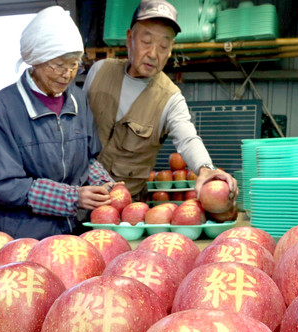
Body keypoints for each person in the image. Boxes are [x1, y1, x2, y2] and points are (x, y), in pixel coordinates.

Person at [0, 5, 115, 239]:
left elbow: (86, 160)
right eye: (59, 65)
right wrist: (72, 198)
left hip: (73, 232)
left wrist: (105, 184)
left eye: (74, 65)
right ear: (35, 61)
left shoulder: (77, 99)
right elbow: (3, 185)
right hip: (23, 236)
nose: (68, 74)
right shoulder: (5, 108)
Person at [83, 0, 238, 204]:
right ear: (130, 39)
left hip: (126, 211)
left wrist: (206, 168)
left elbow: (188, 138)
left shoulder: (170, 98)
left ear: (171, 49)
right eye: (146, 42)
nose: (154, 54)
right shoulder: (98, 72)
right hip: (80, 196)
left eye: (163, 46)